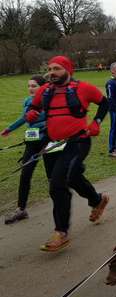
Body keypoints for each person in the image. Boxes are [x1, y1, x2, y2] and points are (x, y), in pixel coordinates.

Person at [25, 56, 110, 251]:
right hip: (53, 144)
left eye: (57, 68)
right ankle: (98, 200)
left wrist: (96, 122)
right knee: (70, 177)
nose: (52, 73)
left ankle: (61, 232)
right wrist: (31, 113)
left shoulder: (83, 88)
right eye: (50, 69)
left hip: (77, 142)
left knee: (58, 183)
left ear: (68, 70)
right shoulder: (45, 91)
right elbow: (34, 107)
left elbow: (104, 103)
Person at [2, 75, 47, 224]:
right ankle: (21, 209)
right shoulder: (28, 101)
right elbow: (24, 118)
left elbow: (52, 118)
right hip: (32, 140)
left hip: (48, 140)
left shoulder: (48, 100)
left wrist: (42, 126)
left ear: (42, 87)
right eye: (29, 86)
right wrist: (9, 128)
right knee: (25, 173)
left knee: (53, 176)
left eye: (34, 86)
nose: (30, 89)